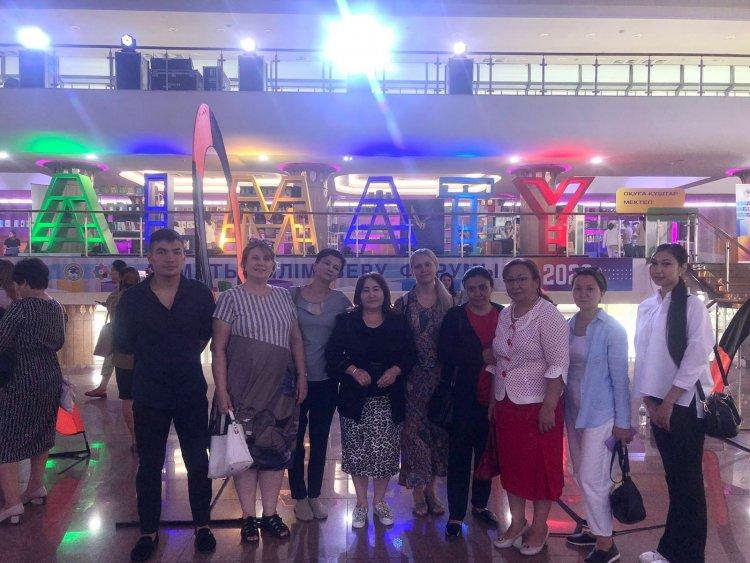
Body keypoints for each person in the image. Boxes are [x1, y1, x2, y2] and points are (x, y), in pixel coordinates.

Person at [114, 229, 217, 561]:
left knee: (197, 461)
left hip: (190, 390)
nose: (170, 258)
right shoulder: (133, 299)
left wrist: (180, 356)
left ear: (184, 256)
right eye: (162, 251)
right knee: (149, 464)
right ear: (150, 257)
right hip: (149, 392)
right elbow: (124, 344)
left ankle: (203, 524)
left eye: (176, 251)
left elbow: (205, 336)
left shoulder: (199, 294)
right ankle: (148, 530)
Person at [212, 239, 307, 544]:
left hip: (280, 389)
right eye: (255, 258)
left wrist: (302, 376)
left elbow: (295, 340)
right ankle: (247, 517)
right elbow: (219, 349)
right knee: (245, 453)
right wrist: (222, 389)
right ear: (244, 264)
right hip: (243, 389)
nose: (261, 263)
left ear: (273, 265)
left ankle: (270, 514)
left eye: (267, 259)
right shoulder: (230, 298)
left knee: (275, 451)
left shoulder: (283, 297)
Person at [634, 243, 713, 563]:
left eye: (666, 264)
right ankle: (671, 550)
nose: (658, 270)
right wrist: (649, 401)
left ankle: (689, 554)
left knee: (688, 482)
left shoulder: (693, 306)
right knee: (675, 480)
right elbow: (643, 356)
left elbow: (697, 355)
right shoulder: (646, 307)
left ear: (682, 268)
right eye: (654, 263)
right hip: (658, 402)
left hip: (683, 403)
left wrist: (668, 402)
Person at [491, 258, 569, 556]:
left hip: (538, 404)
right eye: (510, 280)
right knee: (512, 465)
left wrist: (549, 406)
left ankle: (539, 525)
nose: (515, 285)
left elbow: (558, 363)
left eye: (522, 279)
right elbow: (501, 358)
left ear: (537, 282)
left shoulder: (548, 315)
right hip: (507, 402)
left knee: (539, 467)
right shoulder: (505, 313)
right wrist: (494, 398)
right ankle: (517, 521)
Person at [326, 273, 416, 528]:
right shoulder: (346, 321)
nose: (372, 294)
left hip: (388, 397)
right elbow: (333, 354)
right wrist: (354, 371)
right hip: (355, 397)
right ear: (359, 295)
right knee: (356, 451)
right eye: (366, 290)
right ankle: (361, 504)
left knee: (384, 452)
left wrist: (395, 371)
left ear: (385, 293)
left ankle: (379, 501)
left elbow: (410, 354)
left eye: (376, 289)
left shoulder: (398, 321)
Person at [564, 267, 631, 563]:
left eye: (590, 288)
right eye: (578, 288)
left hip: (601, 414)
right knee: (581, 473)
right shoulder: (567, 326)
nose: (583, 294)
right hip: (574, 412)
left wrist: (623, 423)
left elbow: (621, 379)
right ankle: (594, 527)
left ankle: (606, 544)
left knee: (594, 478)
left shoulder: (612, 329)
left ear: (601, 292)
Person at [0, 258, 65, 525]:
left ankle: (12, 503)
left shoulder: (21, 308)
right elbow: (60, 342)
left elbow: (1, 340)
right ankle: (36, 487)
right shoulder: (56, 306)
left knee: (6, 437)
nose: (15, 288)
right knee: (42, 431)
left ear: (25, 282)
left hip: (21, 375)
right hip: (50, 373)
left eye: (17, 283)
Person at [438, 266, 502, 538]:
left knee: (485, 454)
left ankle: (480, 505)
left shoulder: (504, 315)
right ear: (465, 290)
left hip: (496, 398)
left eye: (482, 287)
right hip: (462, 398)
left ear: (491, 287)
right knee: (459, 457)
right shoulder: (455, 317)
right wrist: (480, 357)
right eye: (472, 288)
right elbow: (444, 353)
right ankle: (456, 514)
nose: (477, 293)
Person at [288, 249, 351, 522]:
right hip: (295, 380)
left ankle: (314, 494)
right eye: (326, 263)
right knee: (294, 440)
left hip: (326, 381)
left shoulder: (341, 301)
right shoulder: (292, 296)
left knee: (320, 440)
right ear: (315, 265)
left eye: (336, 267)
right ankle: (298, 496)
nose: (330, 268)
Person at [394, 248, 453, 516]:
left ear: (436, 266)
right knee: (413, 434)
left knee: (436, 434)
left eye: (427, 264)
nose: (423, 269)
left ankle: (432, 489)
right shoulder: (404, 303)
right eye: (418, 266)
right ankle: (417, 490)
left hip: (440, 380)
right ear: (412, 270)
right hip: (411, 380)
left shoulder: (449, 302)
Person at [86, 259, 128, 399]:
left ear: (118, 272)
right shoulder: (121, 290)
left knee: (114, 358)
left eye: (113, 270)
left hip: (121, 331)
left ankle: (105, 387)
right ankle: (102, 387)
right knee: (110, 358)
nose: (110, 273)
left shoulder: (124, 291)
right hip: (119, 330)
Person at [111, 267, 141, 453]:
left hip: (123, 355)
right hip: (145, 354)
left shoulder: (115, 298)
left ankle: (135, 438)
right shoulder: (145, 297)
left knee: (127, 398)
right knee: (144, 397)